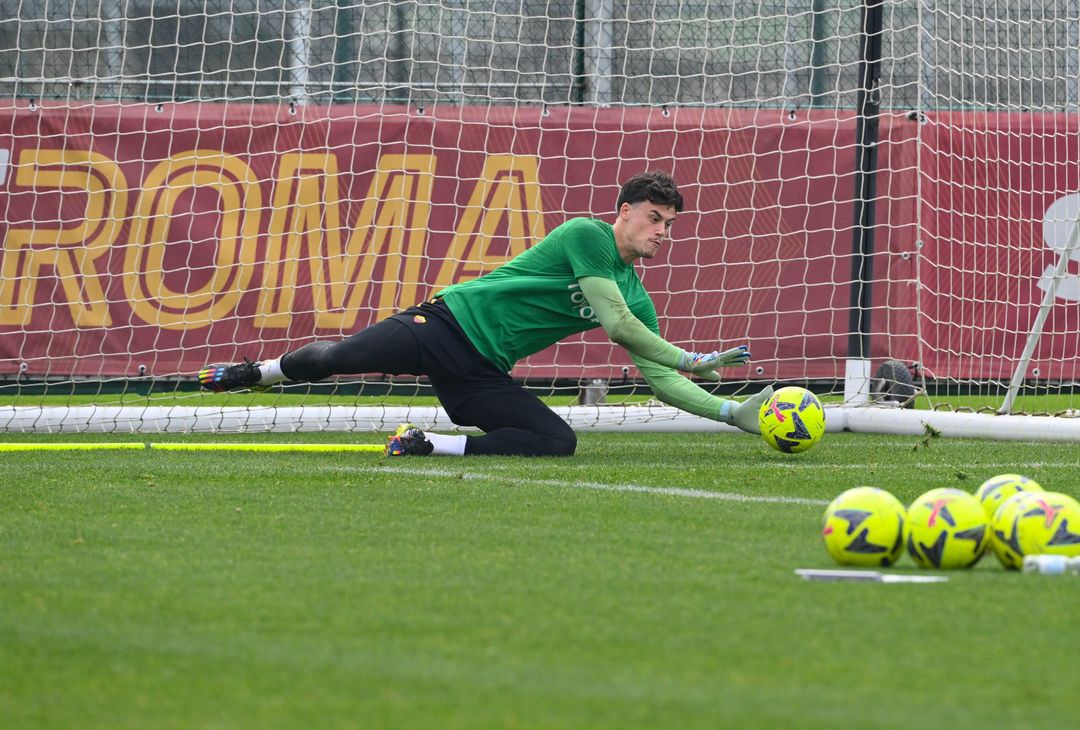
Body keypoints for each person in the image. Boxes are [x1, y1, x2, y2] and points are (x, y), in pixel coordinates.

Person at [198, 171, 773, 456]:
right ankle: (257, 373)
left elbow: (660, 377)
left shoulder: (636, 290)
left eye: (669, 224)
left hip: (481, 368)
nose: (661, 232)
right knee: (340, 357)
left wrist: (728, 410)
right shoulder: (587, 235)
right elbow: (622, 329)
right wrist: (694, 357)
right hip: (447, 324)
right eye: (653, 217)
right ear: (623, 212)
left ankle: (429, 445)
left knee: (556, 442)